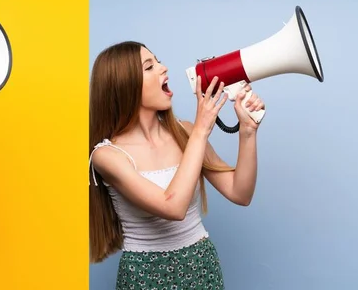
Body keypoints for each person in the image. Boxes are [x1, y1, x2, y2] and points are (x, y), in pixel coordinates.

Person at [89, 41, 263, 289]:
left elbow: (240, 193)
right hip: (144, 275)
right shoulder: (107, 156)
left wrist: (247, 131)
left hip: (201, 265)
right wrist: (202, 130)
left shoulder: (185, 133)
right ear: (124, 84)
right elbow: (173, 207)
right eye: (149, 67)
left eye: (158, 61)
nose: (163, 68)